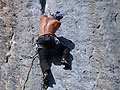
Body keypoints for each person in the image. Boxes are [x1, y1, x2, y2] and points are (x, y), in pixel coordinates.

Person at [36, 11, 70, 87]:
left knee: (43, 59)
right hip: (50, 39)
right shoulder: (57, 22)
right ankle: (64, 59)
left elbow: (43, 15)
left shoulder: (43, 18)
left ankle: (45, 72)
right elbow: (53, 30)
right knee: (65, 48)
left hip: (40, 40)